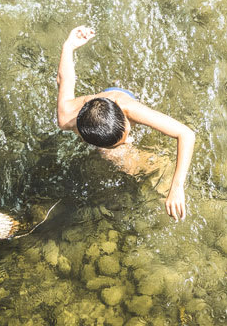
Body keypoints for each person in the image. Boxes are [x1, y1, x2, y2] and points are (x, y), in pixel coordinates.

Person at [55, 26, 196, 219]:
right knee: (113, 157)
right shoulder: (66, 117)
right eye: (120, 141)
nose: (129, 141)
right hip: (97, 110)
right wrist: (68, 47)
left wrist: (177, 187)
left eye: (126, 134)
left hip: (117, 96)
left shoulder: (128, 108)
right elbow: (64, 78)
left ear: (124, 117)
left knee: (158, 168)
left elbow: (186, 134)